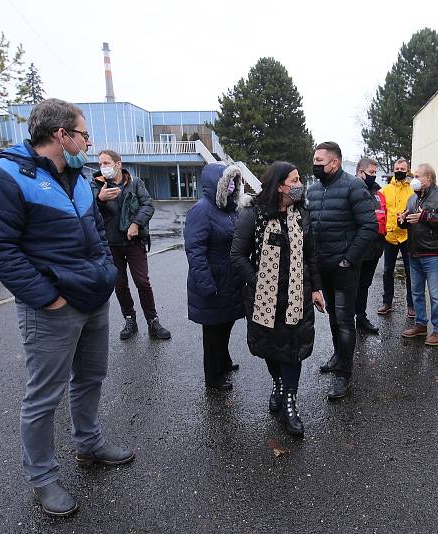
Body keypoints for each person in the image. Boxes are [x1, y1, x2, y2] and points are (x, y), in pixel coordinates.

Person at [0, 98, 134, 517]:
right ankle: (43, 478)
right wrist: (49, 297)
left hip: (93, 298)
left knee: (91, 378)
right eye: (83, 133)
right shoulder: (4, 175)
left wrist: (103, 273)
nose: (89, 141)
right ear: (60, 135)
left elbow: (97, 231)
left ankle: (89, 444)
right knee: (44, 396)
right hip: (51, 307)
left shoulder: (81, 176)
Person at [230, 162, 324, 437]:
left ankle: (290, 401)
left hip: (297, 294)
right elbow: (237, 256)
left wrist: (316, 288)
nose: (299, 185)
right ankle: (278, 383)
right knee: (271, 347)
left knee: (294, 347)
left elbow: (311, 256)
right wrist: (259, 281)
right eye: (294, 180)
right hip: (264, 298)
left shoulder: (302, 213)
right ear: (279, 185)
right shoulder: (253, 214)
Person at [306, 141, 378, 399]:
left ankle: (343, 375)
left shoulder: (354, 186)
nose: (315, 165)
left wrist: (349, 259)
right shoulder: (313, 191)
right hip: (323, 266)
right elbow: (311, 228)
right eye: (314, 160)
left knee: (346, 320)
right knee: (334, 317)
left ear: (334, 162)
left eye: (320, 161)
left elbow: (369, 226)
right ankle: (339, 356)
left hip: (345, 268)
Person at [91, 150, 171, 341]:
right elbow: (89, 210)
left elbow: (148, 205)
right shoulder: (96, 185)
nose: (103, 167)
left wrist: (136, 223)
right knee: (119, 284)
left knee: (142, 282)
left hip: (134, 241)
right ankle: (129, 319)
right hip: (111, 243)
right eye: (100, 163)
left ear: (118, 164)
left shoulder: (135, 183)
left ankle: (153, 321)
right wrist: (99, 199)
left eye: (106, 162)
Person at [184, 163, 246, 390]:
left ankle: (224, 361)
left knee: (225, 324)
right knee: (213, 332)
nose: (231, 185)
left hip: (229, 279)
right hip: (213, 280)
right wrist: (206, 284)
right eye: (227, 181)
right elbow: (195, 250)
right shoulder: (201, 210)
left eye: (234, 181)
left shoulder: (230, 210)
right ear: (216, 183)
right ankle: (213, 376)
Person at [398, 164, 438, 346]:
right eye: (413, 176)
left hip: (433, 254)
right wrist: (402, 220)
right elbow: (409, 221)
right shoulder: (412, 198)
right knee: (416, 293)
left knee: (436, 295)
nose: (413, 179)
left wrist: (425, 217)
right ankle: (420, 324)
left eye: (417, 176)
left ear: (429, 179)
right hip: (414, 252)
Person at [353, 156, 386, 335]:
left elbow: (382, 217)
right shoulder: (350, 189)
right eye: (371, 172)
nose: (374, 176)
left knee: (364, 285)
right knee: (352, 285)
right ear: (360, 172)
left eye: (375, 172)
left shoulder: (378, 194)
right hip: (356, 248)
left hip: (374, 248)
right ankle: (347, 320)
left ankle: (361, 318)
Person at [378, 157, 415, 317]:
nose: (399, 171)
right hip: (390, 236)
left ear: (408, 171)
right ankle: (387, 302)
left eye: (402, 169)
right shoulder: (384, 190)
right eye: (397, 169)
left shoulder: (413, 190)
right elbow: (380, 212)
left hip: (408, 236)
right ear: (394, 169)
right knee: (387, 271)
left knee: (410, 272)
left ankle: (411, 305)